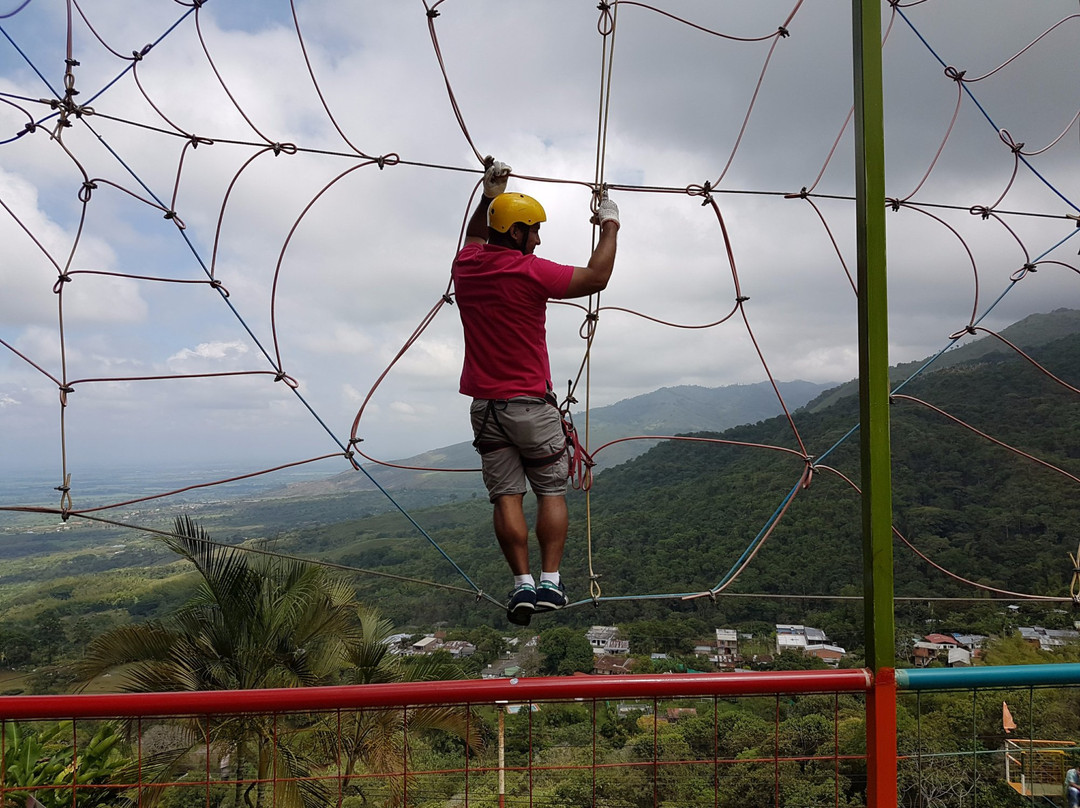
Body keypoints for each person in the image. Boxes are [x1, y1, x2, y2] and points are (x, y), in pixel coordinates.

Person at [451, 158, 620, 625]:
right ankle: (550, 582)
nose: (538, 240)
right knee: (550, 491)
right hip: (530, 405)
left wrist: (488, 197)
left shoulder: (466, 267)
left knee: (506, 496)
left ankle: (521, 585)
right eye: (534, 231)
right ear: (517, 232)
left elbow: (474, 237)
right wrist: (610, 224)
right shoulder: (530, 273)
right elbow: (597, 278)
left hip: (486, 408)